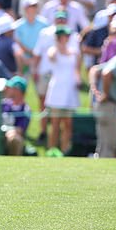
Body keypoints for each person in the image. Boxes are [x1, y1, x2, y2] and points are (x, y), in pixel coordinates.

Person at [44, 25, 81, 156]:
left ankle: (65, 150)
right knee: (55, 124)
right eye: (64, 36)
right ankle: (52, 150)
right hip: (57, 92)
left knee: (68, 124)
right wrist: (59, 45)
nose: (67, 38)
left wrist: (78, 81)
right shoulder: (53, 50)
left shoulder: (74, 53)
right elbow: (52, 56)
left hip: (70, 92)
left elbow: (76, 70)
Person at [1, 76, 31, 156]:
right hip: (0, 134)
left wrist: (8, 131)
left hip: (14, 136)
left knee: (14, 140)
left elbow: (20, 129)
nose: (7, 89)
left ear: (18, 90)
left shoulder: (25, 109)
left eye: (11, 88)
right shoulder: (4, 104)